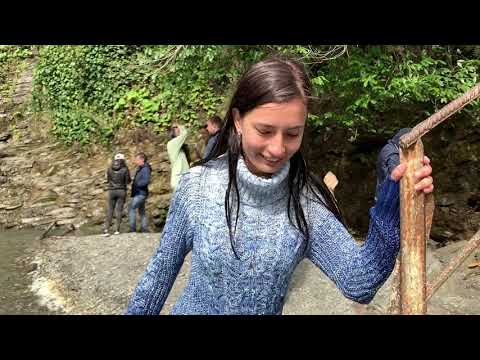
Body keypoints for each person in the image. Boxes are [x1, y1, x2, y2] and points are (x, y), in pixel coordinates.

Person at [126, 57, 434, 315]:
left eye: (292, 134)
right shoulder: (197, 187)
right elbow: (158, 277)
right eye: (265, 130)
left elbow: (360, 281)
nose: (277, 148)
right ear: (237, 120)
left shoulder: (305, 203)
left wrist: (393, 197)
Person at [103, 153, 131, 237]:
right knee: (119, 210)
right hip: (121, 191)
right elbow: (128, 181)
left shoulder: (109, 168)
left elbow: (108, 180)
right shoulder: (125, 169)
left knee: (110, 210)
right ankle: (117, 230)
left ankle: (106, 230)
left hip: (111, 191)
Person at [129, 152, 152, 233]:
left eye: (137, 159)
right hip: (139, 193)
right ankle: (144, 228)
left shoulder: (145, 168)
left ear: (142, 159)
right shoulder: (141, 168)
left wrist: (137, 184)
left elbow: (146, 181)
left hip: (140, 193)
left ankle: (132, 229)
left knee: (131, 208)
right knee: (141, 211)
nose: (136, 161)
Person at [167, 122, 190, 191]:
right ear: (173, 132)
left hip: (182, 178)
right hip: (179, 179)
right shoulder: (172, 143)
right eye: (177, 130)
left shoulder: (176, 145)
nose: (179, 130)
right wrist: (179, 125)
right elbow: (185, 133)